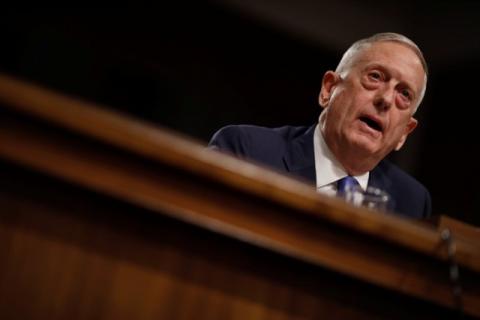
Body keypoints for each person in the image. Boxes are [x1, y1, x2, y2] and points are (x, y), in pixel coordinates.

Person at [209, 32, 431, 218]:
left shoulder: (412, 203)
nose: (386, 99)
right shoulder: (249, 152)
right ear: (328, 90)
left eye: (404, 94)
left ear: (404, 132)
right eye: (375, 77)